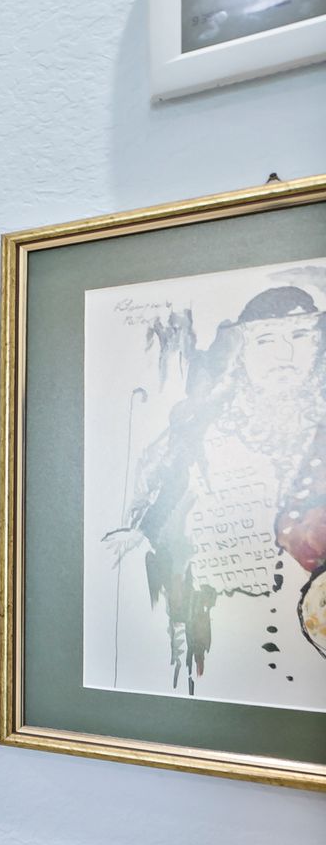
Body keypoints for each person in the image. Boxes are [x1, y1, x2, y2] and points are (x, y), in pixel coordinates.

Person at [107, 284, 326, 693]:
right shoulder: (203, 426)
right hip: (223, 635)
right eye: (266, 340)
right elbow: (166, 497)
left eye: (300, 337)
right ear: (243, 351)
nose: (285, 355)